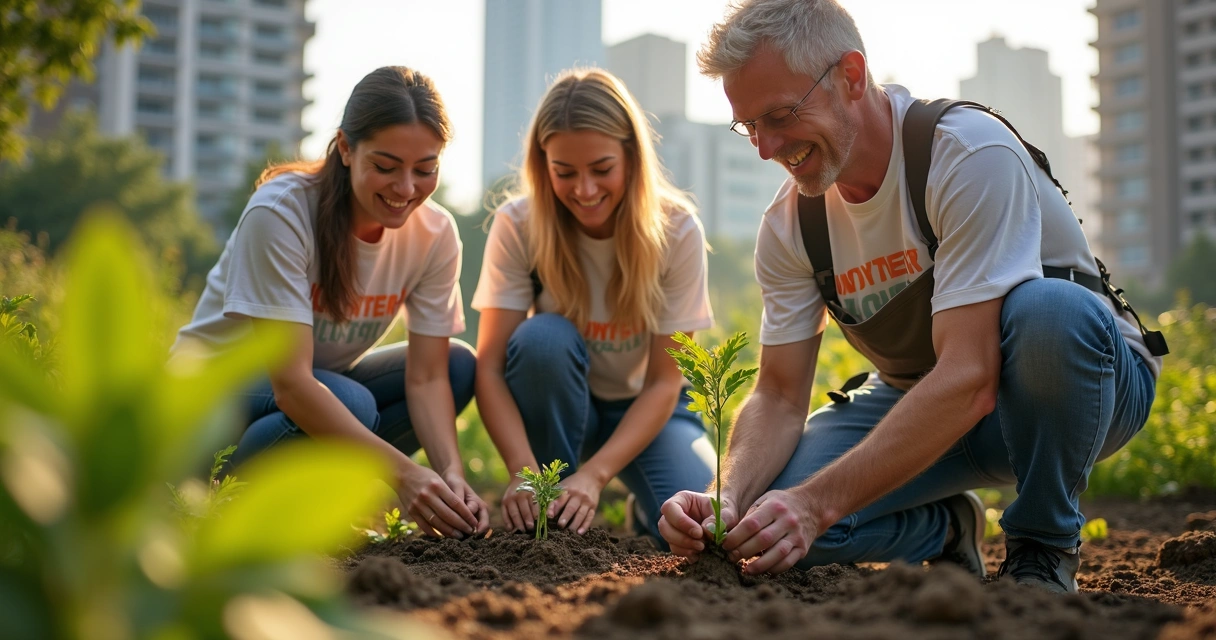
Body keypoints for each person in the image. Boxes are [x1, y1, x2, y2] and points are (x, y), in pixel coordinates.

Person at [659, 0, 1164, 593]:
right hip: (923, 406)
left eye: (780, 115)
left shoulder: (966, 155)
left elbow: (972, 376)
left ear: (850, 75)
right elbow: (777, 392)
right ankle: (945, 529)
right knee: (766, 526)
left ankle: (1043, 545)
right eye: (749, 126)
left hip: (1081, 391)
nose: (766, 149)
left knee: (1052, 311)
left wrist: (819, 501)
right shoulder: (791, 225)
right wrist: (728, 495)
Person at [173, 66, 489, 539]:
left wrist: (450, 476)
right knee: (349, 401)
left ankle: (310, 505)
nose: (406, 190)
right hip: (208, 403)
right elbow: (294, 387)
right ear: (345, 148)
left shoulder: (435, 234)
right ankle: (221, 496)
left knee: (458, 364)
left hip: (315, 393)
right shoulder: (280, 213)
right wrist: (404, 476)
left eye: (425, 170)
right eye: (385, 166)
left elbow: (426, 378)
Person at [472, 68, 717, 542]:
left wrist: (596, 476)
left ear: (632, 156)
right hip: (560, 404)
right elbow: (489, 368)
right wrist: (523, 473)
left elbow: (666, 382)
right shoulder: (518, 225)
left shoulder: (677, 230)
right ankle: (549, 505)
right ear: (543, 165)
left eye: (601, 169)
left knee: (703, 527)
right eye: (564, 173)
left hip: (646, 409)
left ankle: (642, 512)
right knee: (542, 339)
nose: (584, 190)